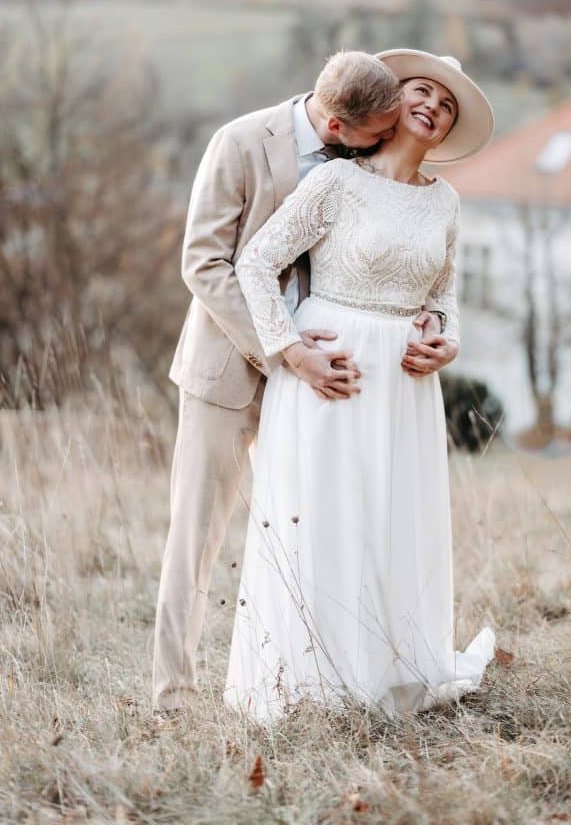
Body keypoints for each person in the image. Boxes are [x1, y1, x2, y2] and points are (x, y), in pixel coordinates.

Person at [152, 51, 452, 713]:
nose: (388, 132)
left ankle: (304, 676)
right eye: (377, 129)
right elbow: (204, 263)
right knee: (197, 534)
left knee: (317, 529)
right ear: (341, 126)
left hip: (328, 382)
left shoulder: (361, 162)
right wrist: (282, 348)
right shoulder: (239, 141)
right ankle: (173, 696)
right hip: (231, 368)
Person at [224, 50, 497, 722]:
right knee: (324, 514)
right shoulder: (336, 185)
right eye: (422, 91)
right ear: (392, 103)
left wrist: (447, 336)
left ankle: (387, 670)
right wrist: (288, 350)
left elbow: (445, 292)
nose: (434, 105)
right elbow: (256, 262)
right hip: (330, 370)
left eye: (448, 103)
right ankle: (310, 681)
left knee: (393, 517)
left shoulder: (446, 202)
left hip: (404, 386)